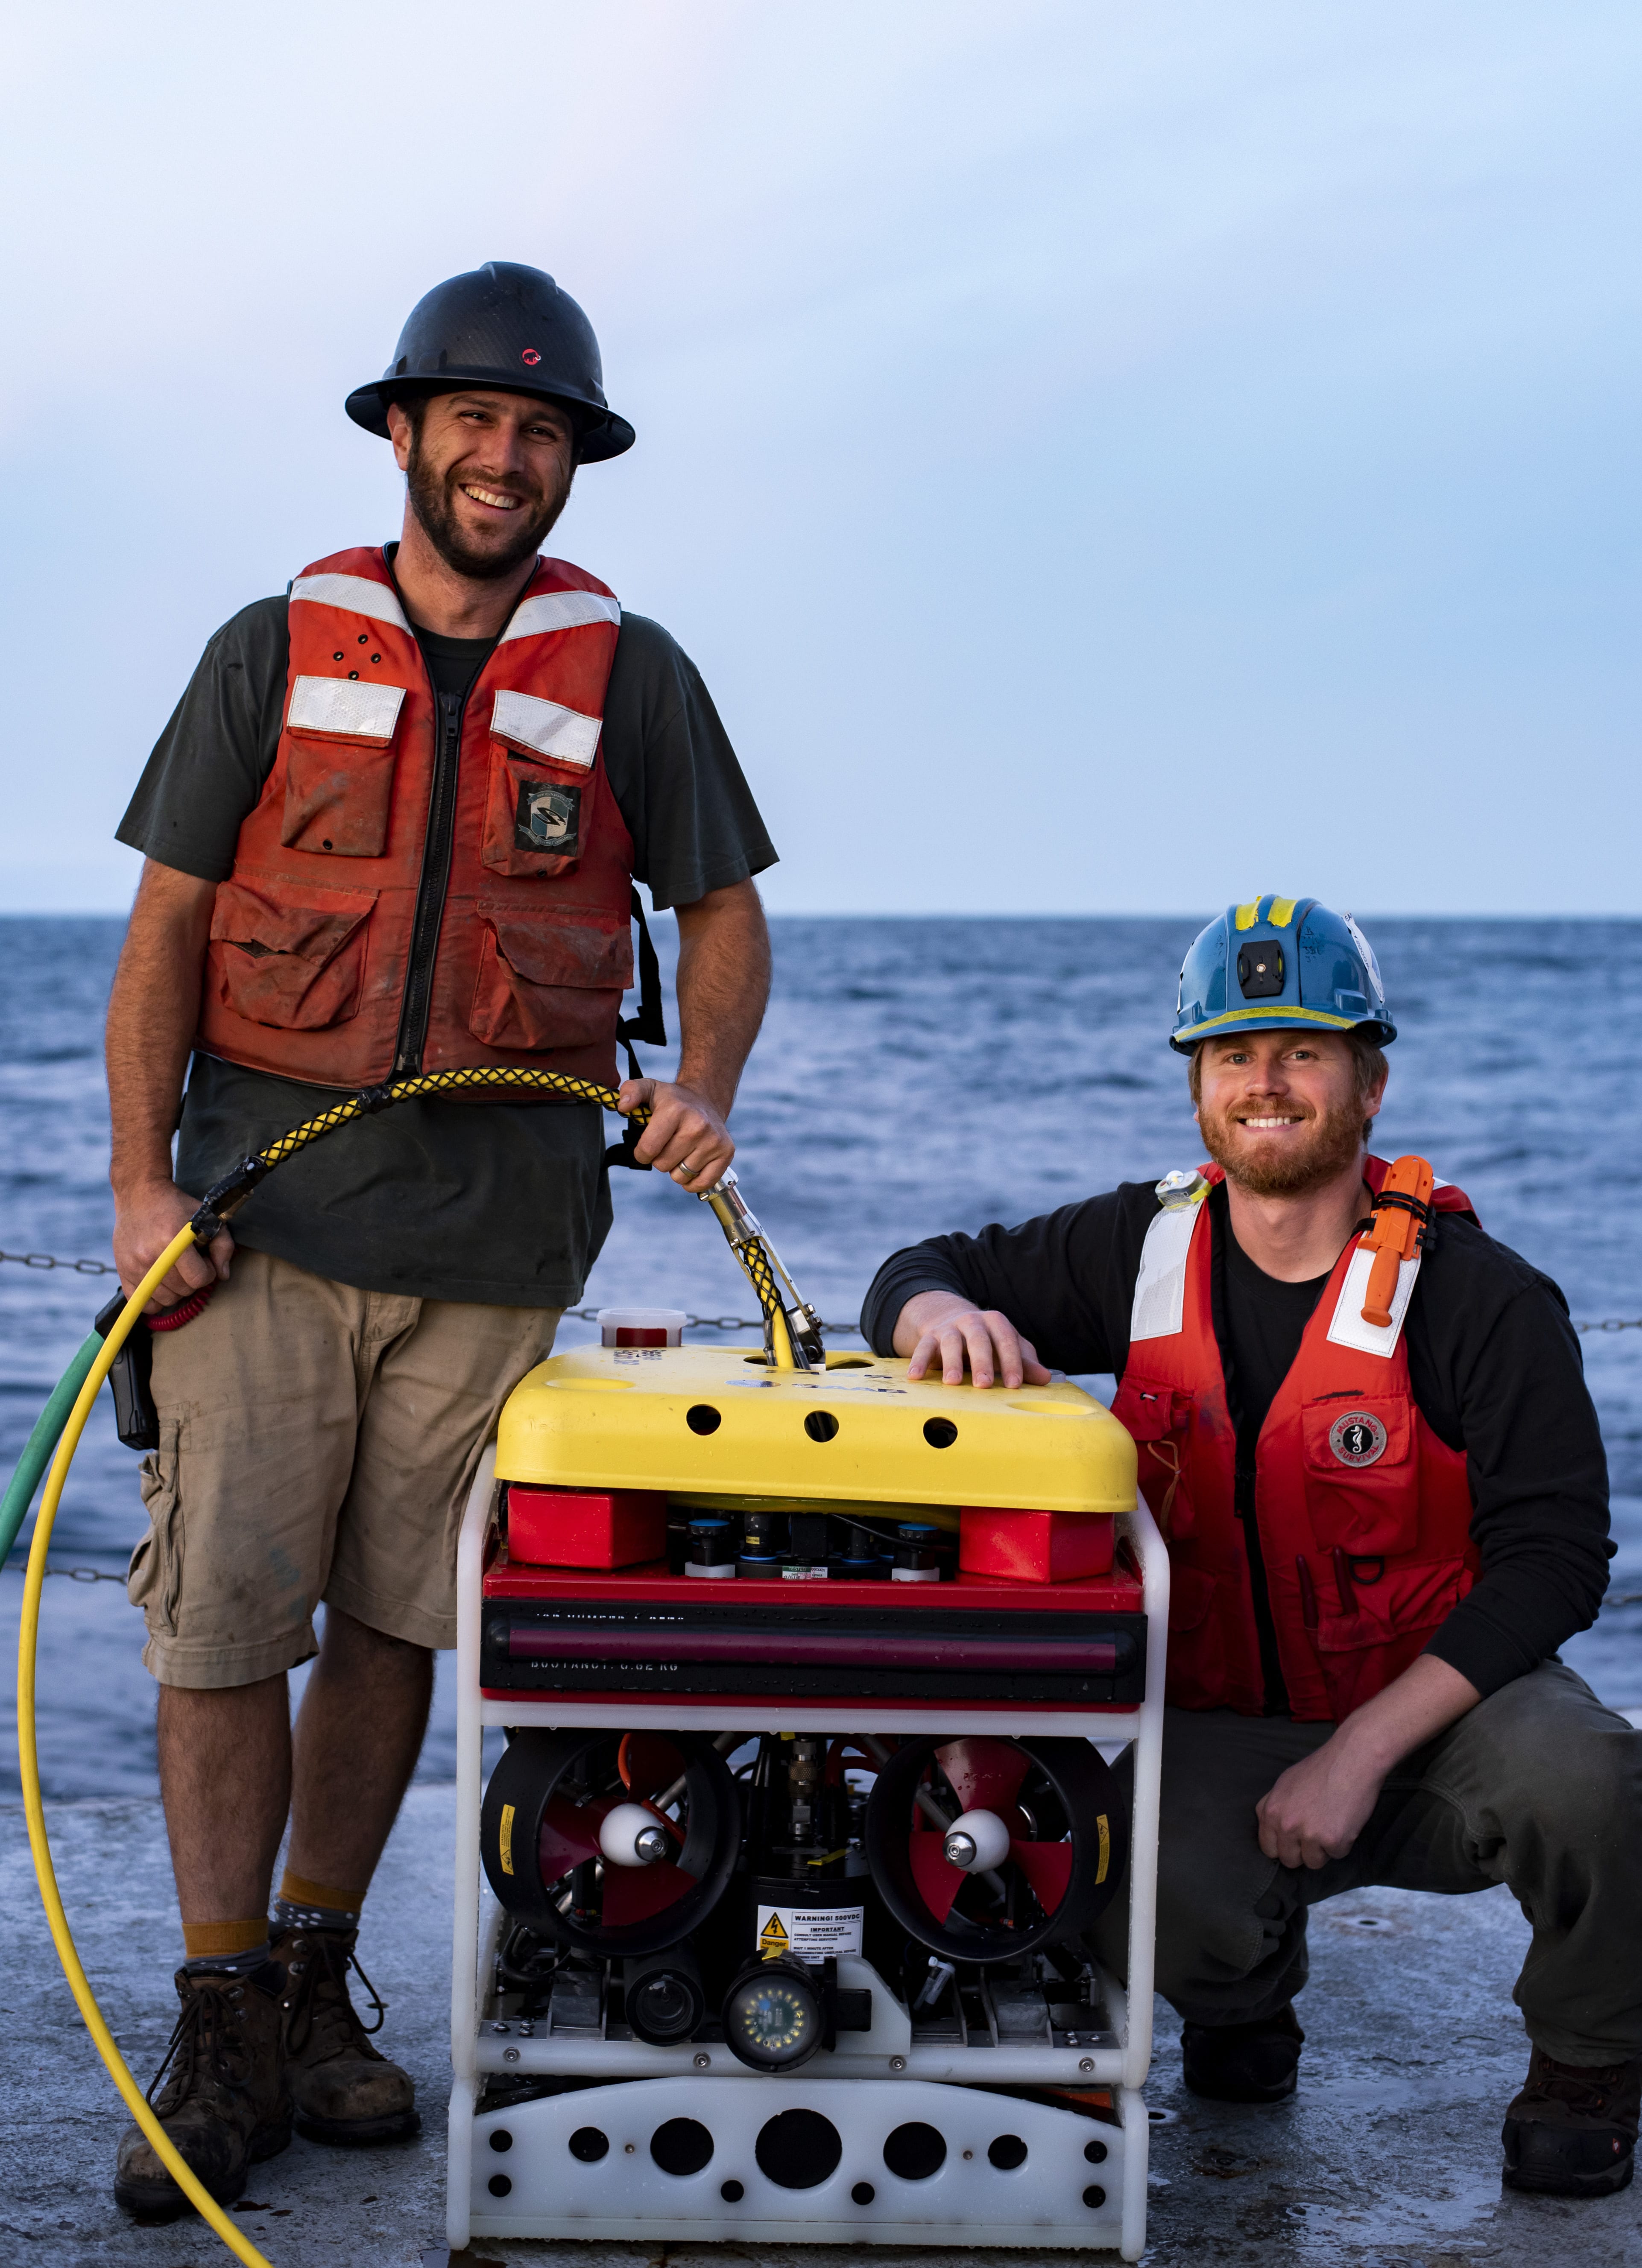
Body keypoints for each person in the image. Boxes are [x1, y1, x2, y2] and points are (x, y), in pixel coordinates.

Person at [104, 261, 776, 2219]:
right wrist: (146, 1195)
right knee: (225, 1628)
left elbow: (723, 920)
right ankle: (219, 2008)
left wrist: (703, 1082)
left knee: (397, 1629)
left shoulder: (630, 675)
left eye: (543, 430)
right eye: (475, 420)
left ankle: (315, 1983)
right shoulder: (266, 646)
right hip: (257, 1227)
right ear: (403, 434)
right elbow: (163, 932)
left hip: (503, 1252)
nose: (507, 455)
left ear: (573, 461)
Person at [863, 897, 1640, 2201]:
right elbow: (923, 1264)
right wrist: (939, 1310)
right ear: (1200, 1087)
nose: (1265, 1084)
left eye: (1303, 1052)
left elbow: (1559, 1558)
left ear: (1369, 1084)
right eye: (1233, 1055)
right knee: (1092, 1858)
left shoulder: (1481, 1297)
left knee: (1600, 1785)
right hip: (1225, 1716)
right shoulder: (1136, 1247)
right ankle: (1243, 1994)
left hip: (1444, 1710)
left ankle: (1590, 2060)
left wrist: (1356, 1755)